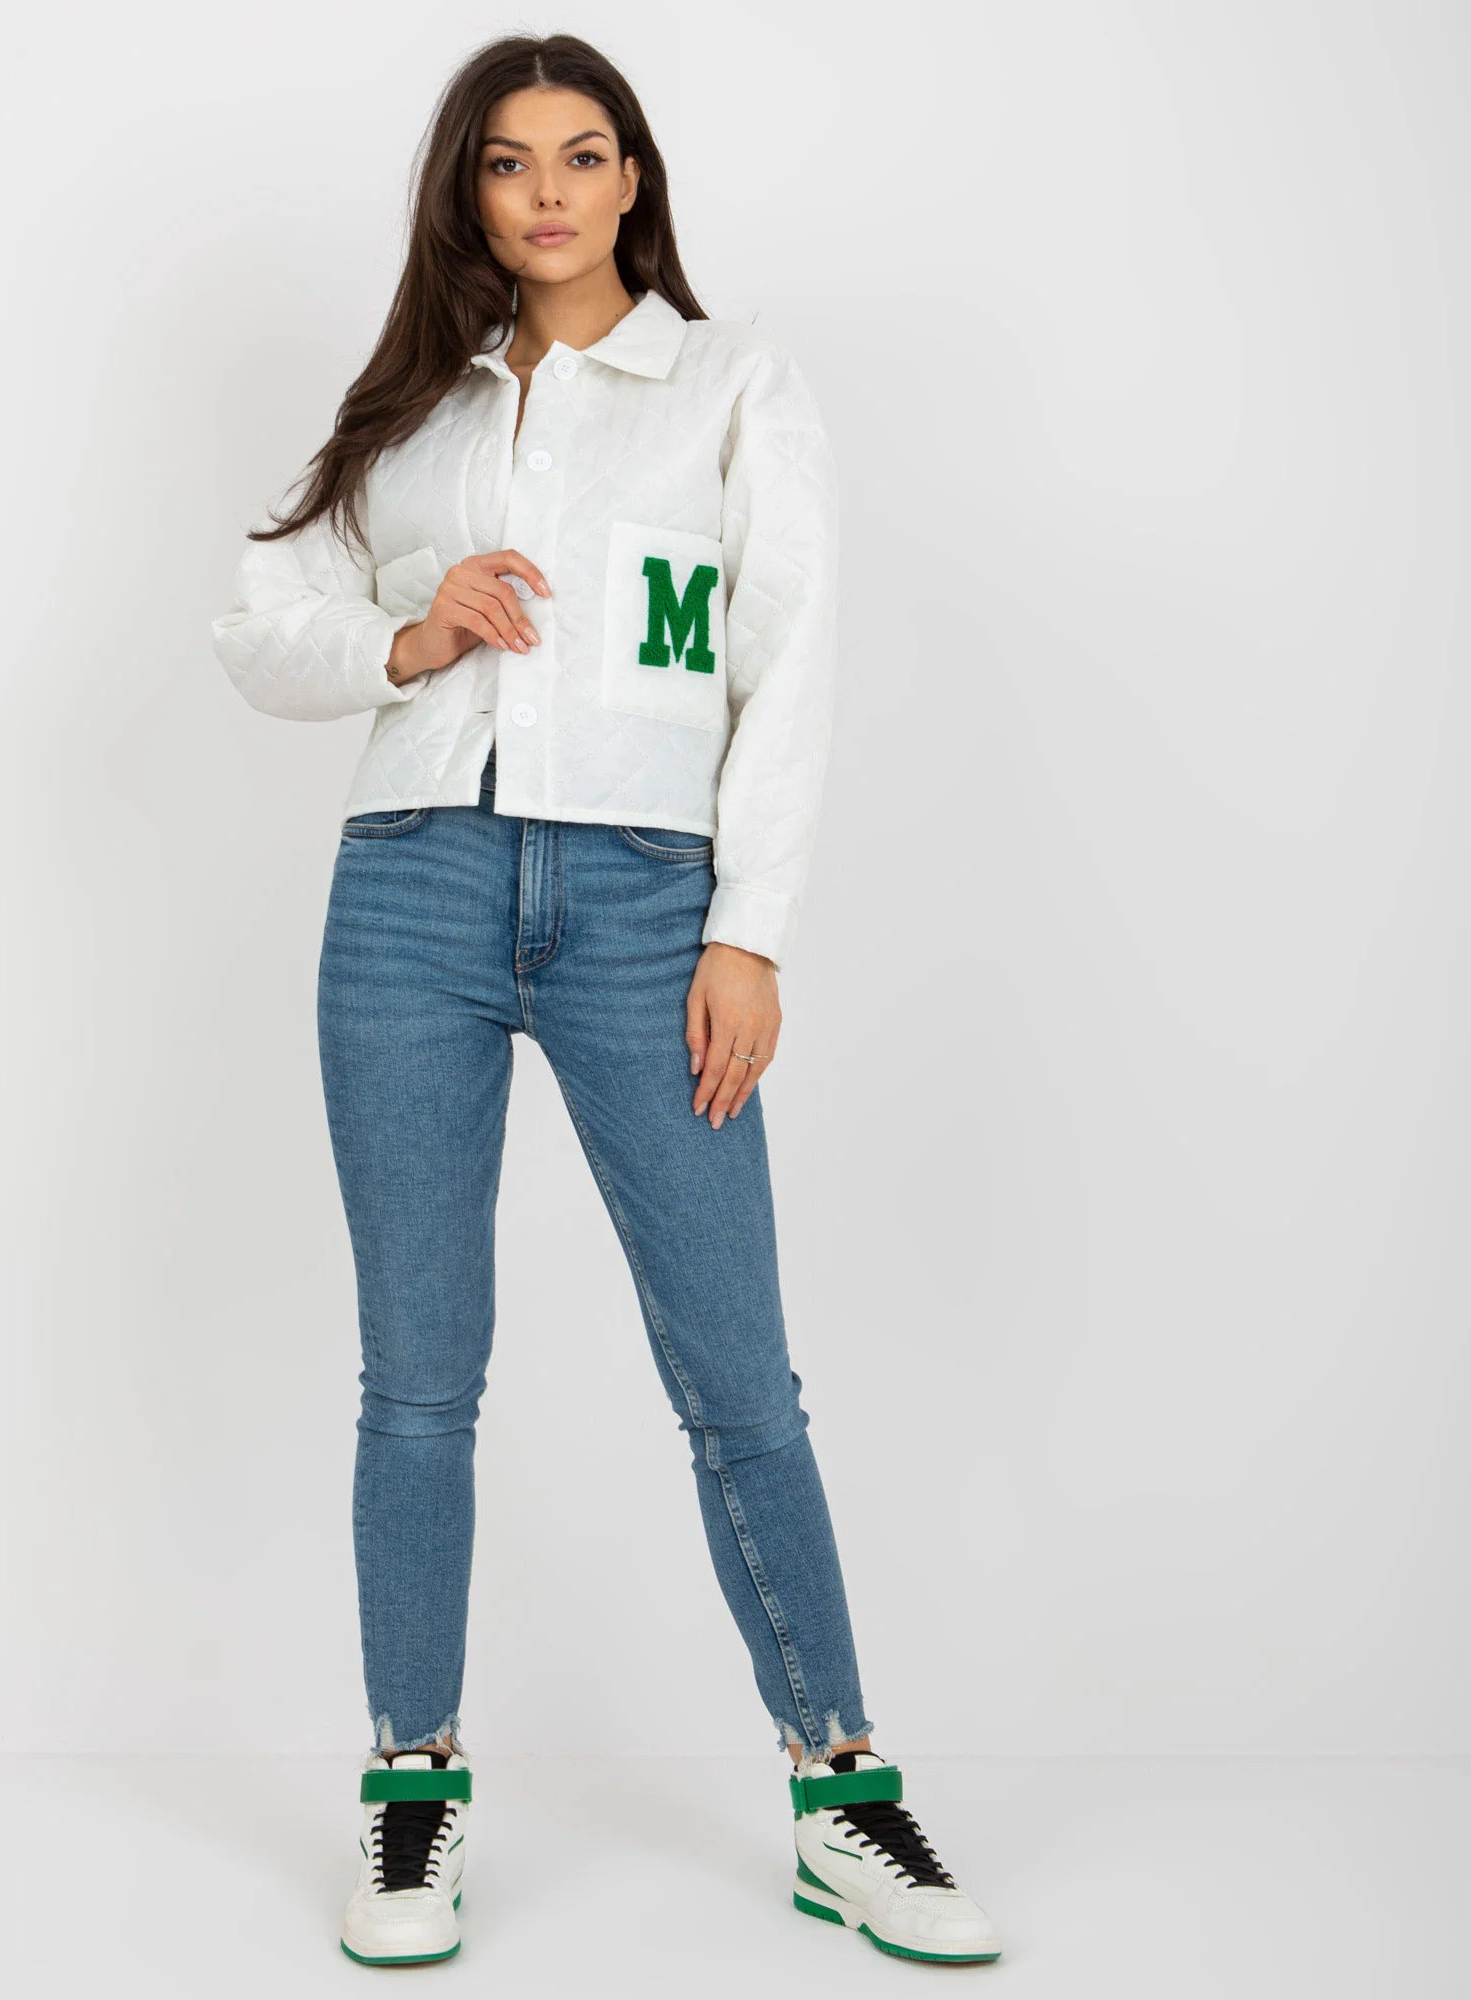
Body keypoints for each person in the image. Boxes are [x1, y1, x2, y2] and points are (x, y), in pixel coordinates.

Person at [212, 30, 1001, 1972]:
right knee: (419, 1377)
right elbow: (258, 621)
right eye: (508, 161)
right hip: (411, 888)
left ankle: (842, 1790)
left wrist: (753, 931)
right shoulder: (414, 409)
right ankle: (413, 1788)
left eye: (582, 154)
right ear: (469, 192)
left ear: (633, 177)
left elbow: (789, 662)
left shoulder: (732, 385)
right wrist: (409, 635)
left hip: (650, 907)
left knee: (739, 1375)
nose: (548, 191)